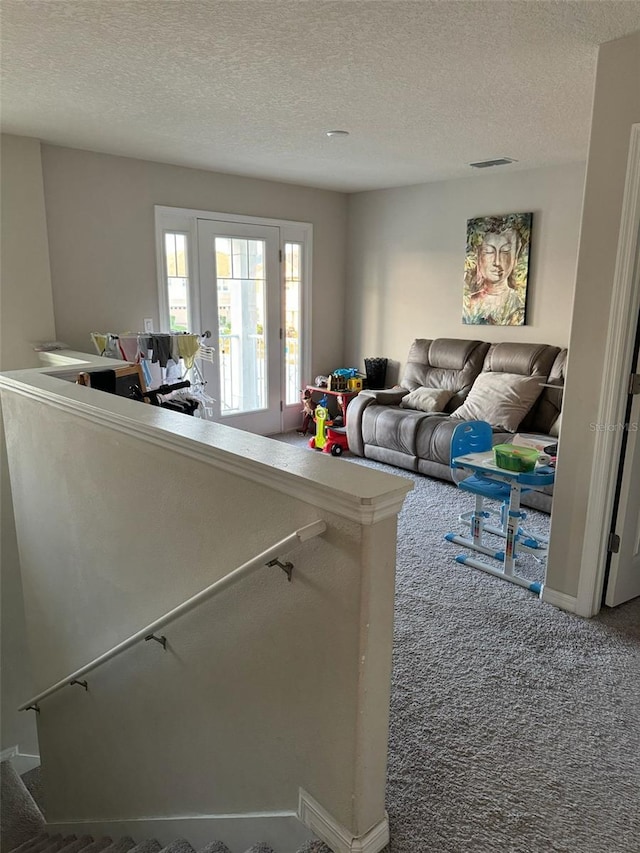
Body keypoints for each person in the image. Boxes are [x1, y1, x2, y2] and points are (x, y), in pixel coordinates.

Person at [463, 222, 526, 325]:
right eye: (488, 252)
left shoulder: (519, 305)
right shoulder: (468, 304)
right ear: (478, 255)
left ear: (515, 257)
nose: (497, 262)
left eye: (505, 251)